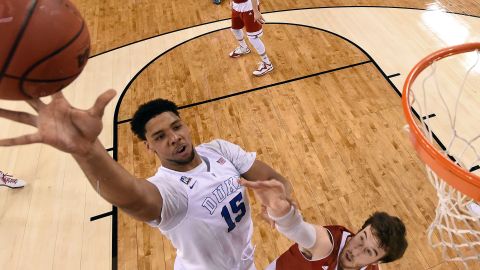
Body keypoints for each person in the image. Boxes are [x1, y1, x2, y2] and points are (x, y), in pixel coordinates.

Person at [0, 90, 292, 270]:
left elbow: (273, 180)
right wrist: (88, 152)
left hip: (244, 262)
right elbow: (132, 197)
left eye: (176, 127)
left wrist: (282, 203)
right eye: (160, 136)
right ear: (149, 147)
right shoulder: (170, 190)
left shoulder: (219, 150)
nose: (174, 138)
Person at [239, 179, 408, 270]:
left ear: (378, 261)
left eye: (369, 251)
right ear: (360, 230)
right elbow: (299, 230)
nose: (355, 250)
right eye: (361, 238)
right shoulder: (329, 242)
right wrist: (281, 211)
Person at [229, 0, 273, 76]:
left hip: (249, 7)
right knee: (235, 29)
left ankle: (267, 64)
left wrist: (256, 11)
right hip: (236, 5)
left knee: (253, 37)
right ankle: (243, 48)